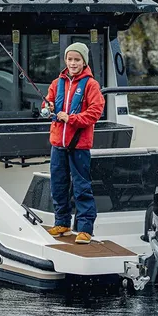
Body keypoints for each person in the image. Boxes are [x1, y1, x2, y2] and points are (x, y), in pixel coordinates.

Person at [43, 42, 105, 244]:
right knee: (58, 185)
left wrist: (71, 119)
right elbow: (47, 103)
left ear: (84, 61)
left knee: (81, 187)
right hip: (57, 145)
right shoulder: (56, 83)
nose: (72, 63)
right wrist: (47, 106)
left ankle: (85, 228)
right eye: (69, 59)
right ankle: (62, 222)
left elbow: (95, 112)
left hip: (79, 146)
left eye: (77, 59)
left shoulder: (91, 85)